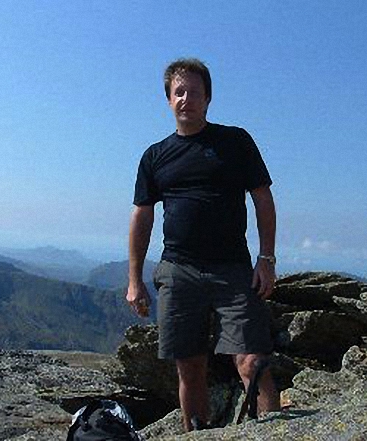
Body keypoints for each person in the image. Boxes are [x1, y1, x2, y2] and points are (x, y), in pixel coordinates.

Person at [126, 57, 280, 431]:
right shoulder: (155, 156)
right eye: (179, 92)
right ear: (168, 100)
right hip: (178, 270)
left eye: (194, 92)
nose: (186, 99)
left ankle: (278, 432)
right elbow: (142, 217)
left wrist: (267, 258)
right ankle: (196, 433)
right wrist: (134, 279)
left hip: (232, 268)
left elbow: (263, 198)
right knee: (190, 367)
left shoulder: (235, 142)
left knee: (251, 361)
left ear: (208, 99)